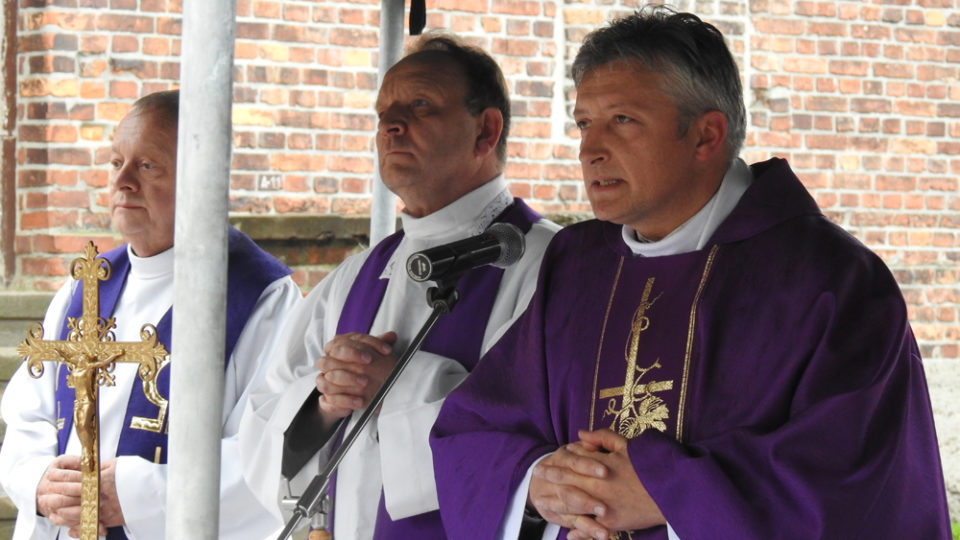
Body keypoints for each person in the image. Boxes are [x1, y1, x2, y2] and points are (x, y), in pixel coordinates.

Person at [430, 7, 952, 540]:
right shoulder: (576, 264)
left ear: (706, 135)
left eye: (623, 120)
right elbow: (476, 427)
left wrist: (671, 492)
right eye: (584, 123)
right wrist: (540, 484)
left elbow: (856, 480)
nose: (590, 150)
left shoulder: (830, 281)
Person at [239, 33, 559, 539]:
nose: (391, 125)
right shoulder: (356, 276)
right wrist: (325, 400)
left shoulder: (550, 265)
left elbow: (544, 438)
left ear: (485, 130)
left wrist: (398, 384)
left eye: (420, 105)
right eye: (383, 113)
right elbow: (263, 419)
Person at [0, 89, 303, 539]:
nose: (122, 181)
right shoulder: (85, 287)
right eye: (115, 162)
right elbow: (29, 415)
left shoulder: (263, 300)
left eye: (146, 165)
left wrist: (138, 495)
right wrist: (40, 482)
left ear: (203, 176)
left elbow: (269, 451)